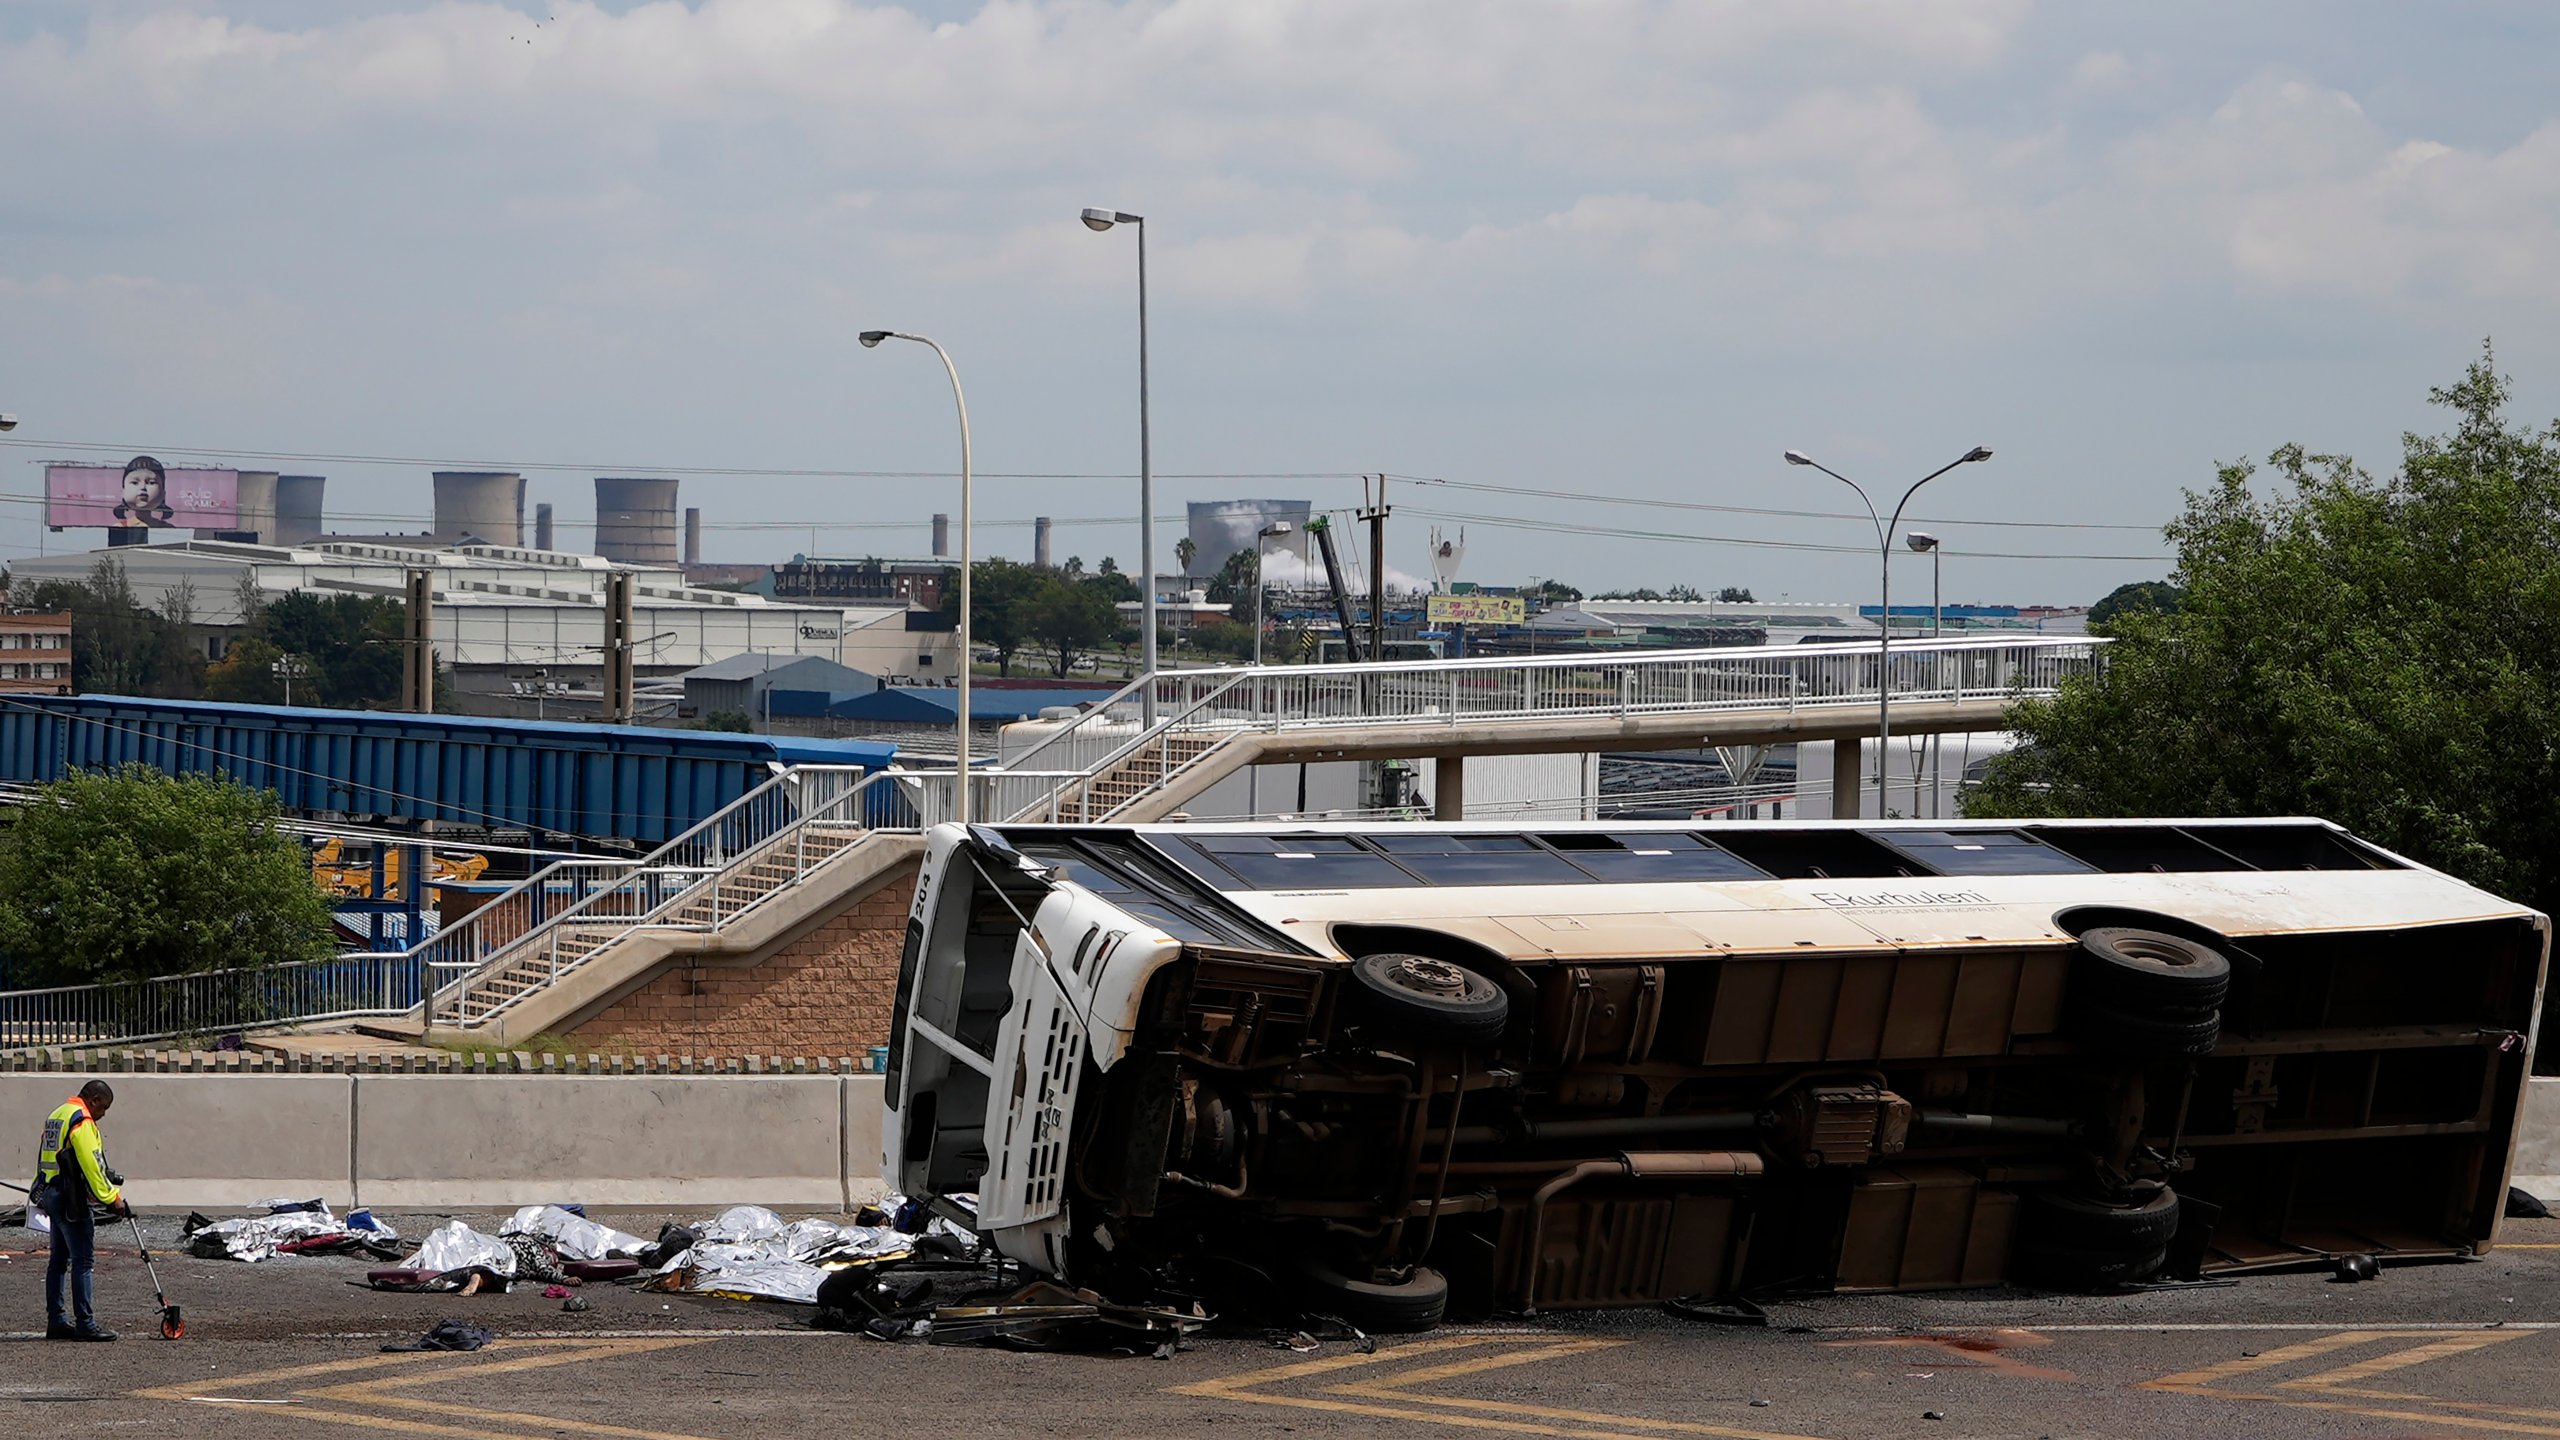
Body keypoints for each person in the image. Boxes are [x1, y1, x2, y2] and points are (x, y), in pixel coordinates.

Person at [32, 1080, 126, 1341]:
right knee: (83, 1261)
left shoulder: (57, 1114)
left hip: (51, 1191)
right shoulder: (81, 1120)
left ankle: (57, 1321)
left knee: (58, 1261)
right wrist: (111, 1198)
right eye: (103, 1108)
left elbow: (43, 1154)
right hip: (70, 1196)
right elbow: (91, 1164)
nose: (103, 1114)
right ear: (93, 1099)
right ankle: (85, 1324)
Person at [111, 456, 172, 529]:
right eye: (135, 483)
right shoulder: (119, 528)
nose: (143, 487)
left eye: (151, 483)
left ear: (163, 493)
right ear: (123, 491)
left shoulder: (167, 529)